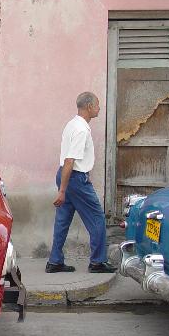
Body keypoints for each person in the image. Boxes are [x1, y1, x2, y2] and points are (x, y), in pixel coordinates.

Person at [46, 92, 116, 274]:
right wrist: (62, 190)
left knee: (63, 220)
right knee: (97, 218)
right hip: (74, 178)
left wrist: (64, 185)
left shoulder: (72, 124)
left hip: (66, 175)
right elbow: (70, 160)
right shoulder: (81, 130)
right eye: (97, 105)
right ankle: (98, 262)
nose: (99, 108)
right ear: (89, 107)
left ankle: (54, 261)